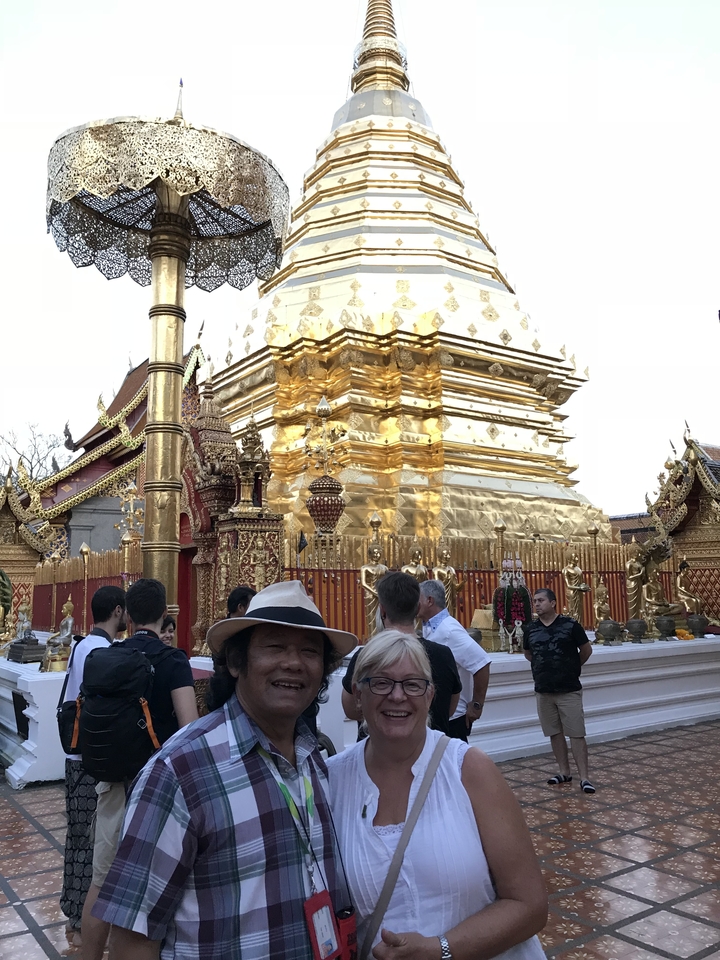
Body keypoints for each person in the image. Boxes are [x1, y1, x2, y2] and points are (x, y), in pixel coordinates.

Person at [92, 580, 358, 959]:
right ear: (235, 662)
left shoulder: (313, 759)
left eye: (310, 651)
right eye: (275, 647)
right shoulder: (179, 772)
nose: (294, 663)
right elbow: (134, 939)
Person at [328, 631, 547, 958]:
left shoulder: (469, 769)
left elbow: (530, 904)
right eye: (381, 683)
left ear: (430, 695)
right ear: (358, 695)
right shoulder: (330, 781)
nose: (397, 696)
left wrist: (441, 950)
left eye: (412, 684)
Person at [82, 579, 198, 960]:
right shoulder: (173, 661)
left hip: (113, 782)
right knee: (151, 887)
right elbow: (189, 729)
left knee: (101, 882)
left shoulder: (108, 656)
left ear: (128, 615)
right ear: (165, 613)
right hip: (158, 791)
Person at [59, 586, 126, 947]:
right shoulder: (98, 651)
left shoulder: (83, 645)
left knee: (79, 836)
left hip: (77, 755)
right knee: (89, 840)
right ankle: (81, 918)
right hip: (88, 755)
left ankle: (73, 910)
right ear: (117, 611)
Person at [342, 572, 462, 736]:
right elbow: (449, 708)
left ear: (382, 611)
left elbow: (352, 709)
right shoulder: (443, 655)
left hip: (380, 748)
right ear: (418, 609)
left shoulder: (366, 655)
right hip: (430, 747)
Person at [523, 588, 596, 794]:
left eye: (541, 600)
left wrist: (571, 668)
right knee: (554, 732)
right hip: (543, 690)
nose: (537, 604)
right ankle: (564, 771)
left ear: (553, 603)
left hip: (568, 689)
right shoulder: (531, 629)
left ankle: (584, 777)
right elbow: (528, 654)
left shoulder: (570, 625)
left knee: (576, 733)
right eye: (535, 601)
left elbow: (586, 650)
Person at [418, 579, 491, 742]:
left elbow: (482, 663)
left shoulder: (449, 630)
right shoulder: (430, 626)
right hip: (439, 713)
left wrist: (477, 705)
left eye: (418, 599)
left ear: (429, 601)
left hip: (454, 717)